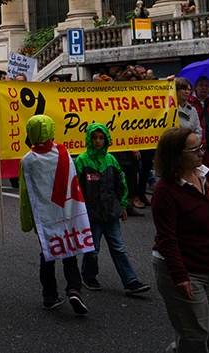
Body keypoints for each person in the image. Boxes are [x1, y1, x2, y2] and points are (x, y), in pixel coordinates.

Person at [151, 127, 209, 353]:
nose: (201, 153)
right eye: (194, 149)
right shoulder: (165, 191)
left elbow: (203, 214)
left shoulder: (201, 176)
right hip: (183, 269)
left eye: (201, 147)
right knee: (195, 336)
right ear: (177, 156)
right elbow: (168, 238)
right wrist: (179, 276)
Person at [19, 115, 89, 314]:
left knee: (48, 255)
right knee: (70, 252)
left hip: (44, 216)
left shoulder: (28, 160)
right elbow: (73, 182)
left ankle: (50, 296)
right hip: (66, 211)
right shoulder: (63, 152)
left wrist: (27, 221)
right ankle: (75, 289)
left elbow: (25, 194)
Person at [75, 123, 150, 296]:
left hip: (111, 213)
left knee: (119, 248)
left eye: (101, 138)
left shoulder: (111, 160)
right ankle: (88, 276)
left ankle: (130, 281)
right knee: (93, 250)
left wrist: (122, 205)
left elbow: (120, 185)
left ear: (106, 139)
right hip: (91, 214)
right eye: (94, 138)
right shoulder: (82, 161)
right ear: (89, 139)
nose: (98, 141)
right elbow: (76, 188)